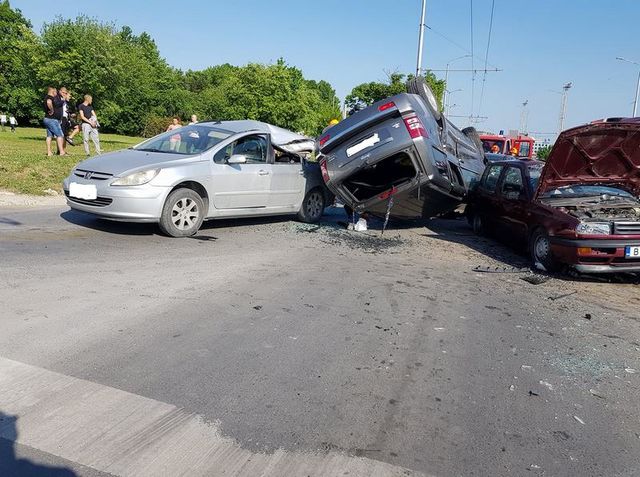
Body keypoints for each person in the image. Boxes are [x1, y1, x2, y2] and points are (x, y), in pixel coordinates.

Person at [43, 86, 66, 156]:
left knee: (49, 136)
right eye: (55, 91)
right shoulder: (50, 97)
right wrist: (52, 110)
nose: (56, 93)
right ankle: (62, 152)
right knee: (60, 135)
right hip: (52, 120)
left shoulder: (46, 97)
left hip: (47, 119)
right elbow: (49, 102)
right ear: (52, 91)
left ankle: (49, 152)